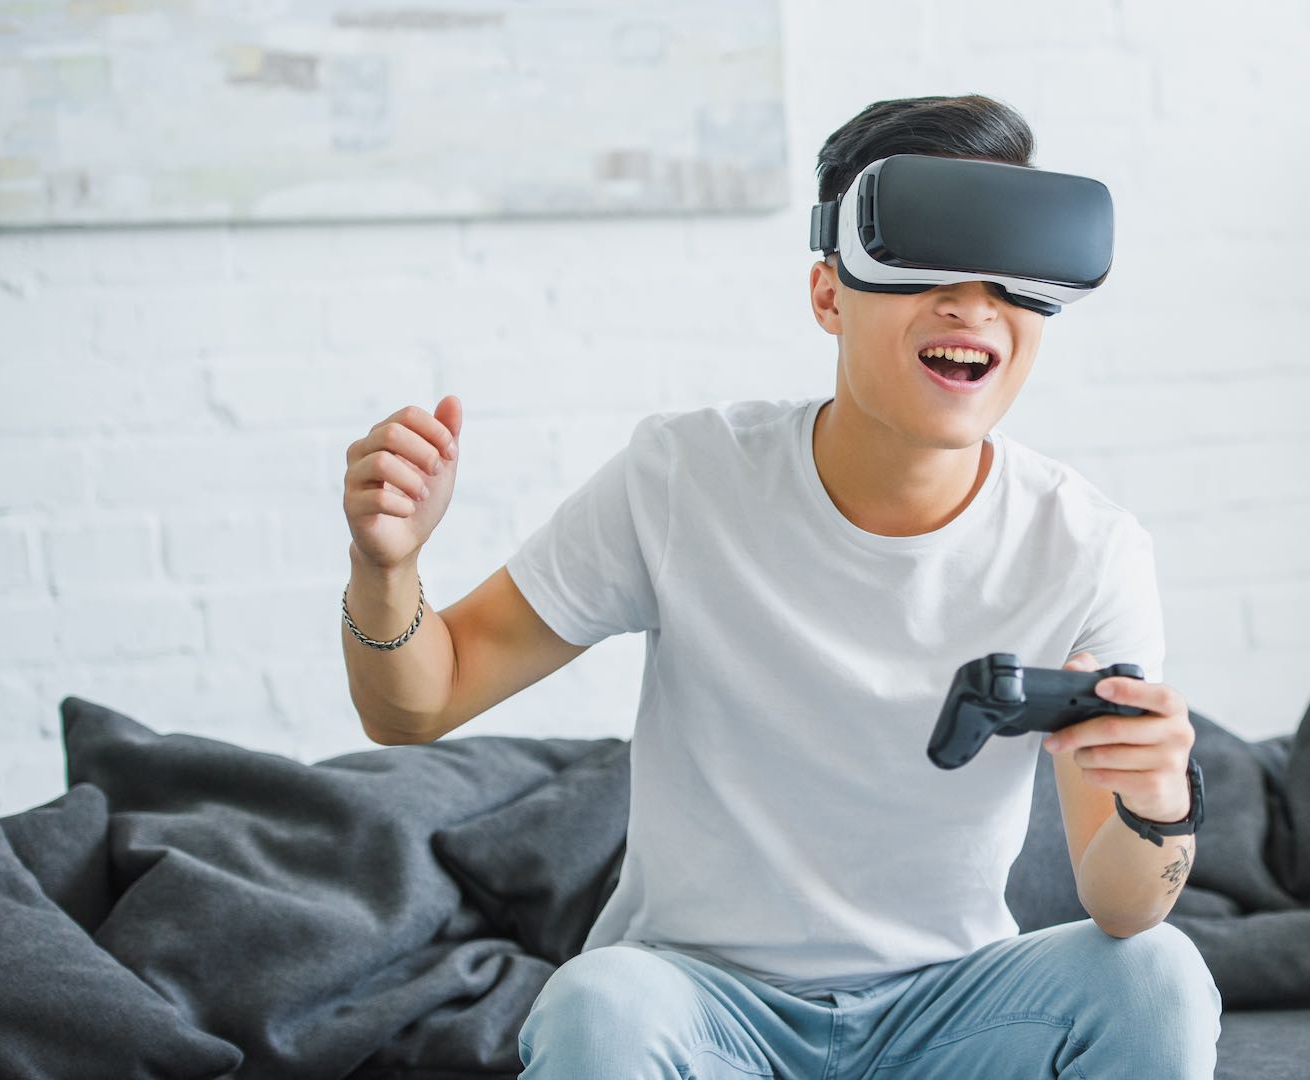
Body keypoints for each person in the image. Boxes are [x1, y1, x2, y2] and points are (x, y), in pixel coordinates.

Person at [338, 93, 1221, 1079]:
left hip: (950, 1017)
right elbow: (418, 701)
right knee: (596, 1002)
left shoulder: (1088, 547)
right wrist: (389, 567)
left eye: (1007, 275)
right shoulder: (685, 477)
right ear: (829, 294)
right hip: (700, 1007)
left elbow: (1124, 904)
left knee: (1158, 975)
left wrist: (1159, 805)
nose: (972, 305)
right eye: (926, 260)